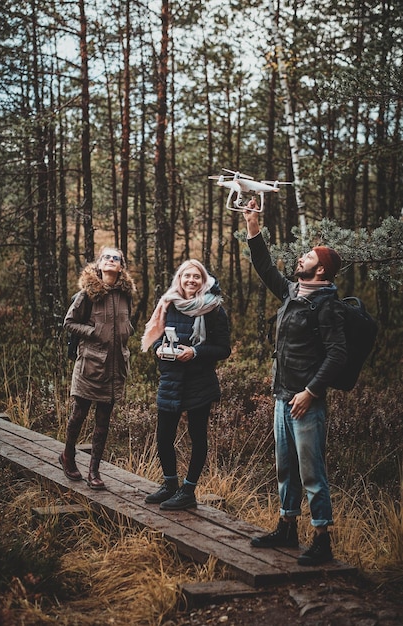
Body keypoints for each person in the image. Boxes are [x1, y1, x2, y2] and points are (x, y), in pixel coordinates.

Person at [244, 199, 347, 566]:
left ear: (320, 270)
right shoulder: (291, 293)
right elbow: (264, 266)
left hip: (306, 401)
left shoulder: (327, 306)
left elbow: (338, 355)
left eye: (307, 257)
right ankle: (287, 527)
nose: (300, 259)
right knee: (285, 466)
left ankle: (322, 540)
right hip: (282, 396)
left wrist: (311, 392)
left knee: (311, 471)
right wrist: (253, 227)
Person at [141, 259, 231, 510]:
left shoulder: (214, 309)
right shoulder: (167, 304)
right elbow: (157, 337)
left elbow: (224, 349)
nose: (191, 280)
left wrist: (195, 352)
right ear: (179, 279)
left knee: (197, 436)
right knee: (163, 435)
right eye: (186, 276)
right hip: (171, 379)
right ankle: (170, 484)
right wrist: (159, 349)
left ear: (204, 281)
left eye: (197, 277)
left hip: (199, 381)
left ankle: (188, 490)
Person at [60, 246, 135, 490]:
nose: (112, 261)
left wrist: (126, 333)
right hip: (91, 364)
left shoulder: (126, 295)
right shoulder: (87, 294)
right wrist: (93, 332)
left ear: (121, 267)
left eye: (116, 258)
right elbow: (69, 322)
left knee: (103, 420)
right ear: (99, 264)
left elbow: (127, 322)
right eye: (107, 257)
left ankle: (94, 471)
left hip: (115, 366)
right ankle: (68, 456)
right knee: (79, 414)